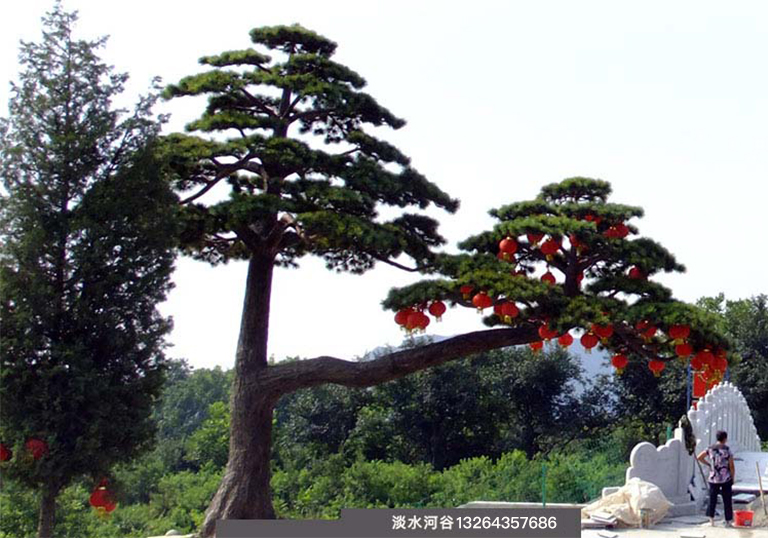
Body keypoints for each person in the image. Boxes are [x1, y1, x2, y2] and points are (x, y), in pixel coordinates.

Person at [697, 430, 735, 527]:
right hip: (726, 478)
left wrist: (709, 464)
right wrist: (732, 477)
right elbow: (731, 465)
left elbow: (699, 457)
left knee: (712, 499)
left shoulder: (710, 448)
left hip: (713, 478)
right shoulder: (727, 449)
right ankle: (728, 521)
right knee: (727, 500)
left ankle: (711, 521)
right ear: (725, 439)